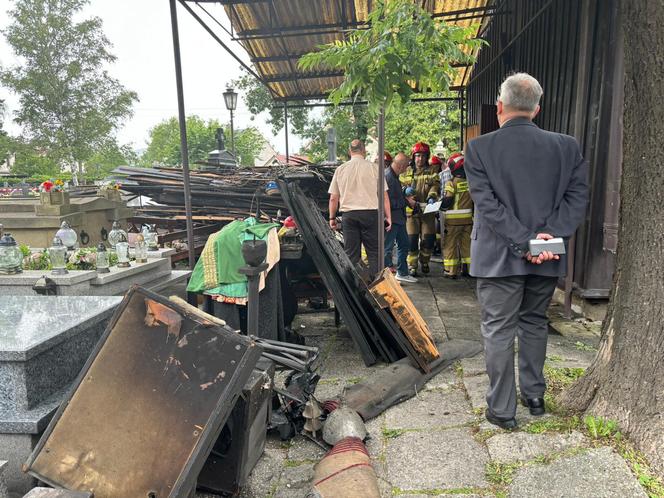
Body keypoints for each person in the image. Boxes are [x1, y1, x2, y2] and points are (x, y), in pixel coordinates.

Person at [465, 72, 588, 430]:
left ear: (500, 106)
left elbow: (487, 206)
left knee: (499, 330)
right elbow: (577, 197)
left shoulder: (479, 148)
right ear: (537, 107)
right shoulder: (566, 146)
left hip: (497, 259)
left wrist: (524, 242)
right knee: (534, 323)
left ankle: (502, 410)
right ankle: (534, 396)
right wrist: (546, 238)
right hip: (547, 257)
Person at [328, 139, 391, 279]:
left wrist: (332, 218)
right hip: (371, 215)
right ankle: (377, 289)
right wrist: (389, 217)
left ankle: (354, 290)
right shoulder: (375, 168)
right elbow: (384, 196)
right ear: (364, 151)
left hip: (349, 216)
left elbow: (333, 198)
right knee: (374, 254)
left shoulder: (341, 170)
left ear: (350, 151)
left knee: (351, 255)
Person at [401, 142, 440, 276]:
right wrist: (405, 190)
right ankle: (412, 266)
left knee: (428, 240)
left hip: (427, 212)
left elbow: (435, 185)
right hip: (411, 213)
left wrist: (432, 196)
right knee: (411, 240)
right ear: (413, 157)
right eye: (417, 156)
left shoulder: (432, 171)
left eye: (423, 156)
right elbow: (399, 185)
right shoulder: (406, 171)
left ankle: (424, 261)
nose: (420, 159)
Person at [384, 152, 417, 284]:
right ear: (401, 166)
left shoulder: (393, 176)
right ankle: (386, 277)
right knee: (387, 248)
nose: (407, 169)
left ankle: (402, 272)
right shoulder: (389, 177)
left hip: (399, 219)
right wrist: (406, 201)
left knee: (404, 244)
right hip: (392, 219)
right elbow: (387, 202)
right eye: (406, 166)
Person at [440, 153, 473, 277]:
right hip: (468, 221)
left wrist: (441, 206)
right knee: (467, 246)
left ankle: (450, 271)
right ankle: (469, 270)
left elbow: (448, 200)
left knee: (450, 246)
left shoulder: (451, 183)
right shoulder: (471, 183)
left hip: (453, 222)